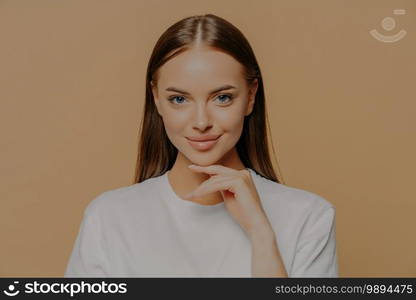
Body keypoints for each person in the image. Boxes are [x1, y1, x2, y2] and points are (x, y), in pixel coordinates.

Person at [64, 14, 338, 278]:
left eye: (222, 97)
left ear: (251, 96)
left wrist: (262, 235)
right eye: (179, 100)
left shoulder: (308, 217)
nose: (201, 121)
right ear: (156, 98)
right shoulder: (109, 217)